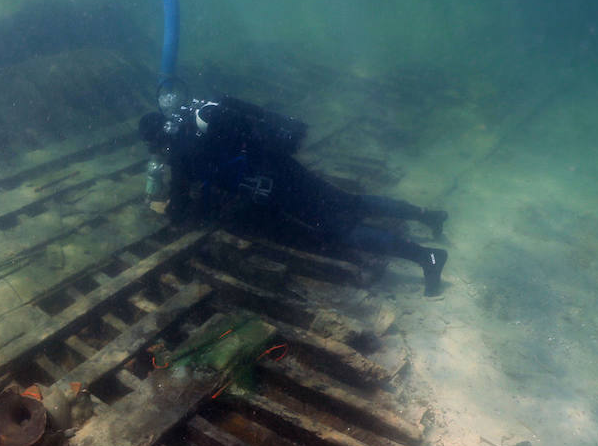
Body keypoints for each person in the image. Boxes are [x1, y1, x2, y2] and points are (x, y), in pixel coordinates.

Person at [139, 94, 450, 295]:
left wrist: (166, 207)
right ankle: (429, 216)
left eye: (154, 146)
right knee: (348, 200)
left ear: (155, 138)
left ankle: (426, 257)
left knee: (340, 229)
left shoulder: (179, 151)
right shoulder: (194, 109)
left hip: (270, 184)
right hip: (280, 163)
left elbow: (180, 207)